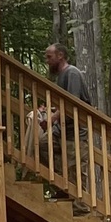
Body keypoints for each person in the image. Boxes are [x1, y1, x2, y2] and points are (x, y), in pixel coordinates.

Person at [25, 41, 94, 186]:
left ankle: (79, 208)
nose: (47, 61)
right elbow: (63, 104)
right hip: (60, 131)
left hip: (74, 134)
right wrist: (49, 111)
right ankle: (62, 179)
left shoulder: (72, 73)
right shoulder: (61, 76)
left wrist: (51, 119)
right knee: (41, 144)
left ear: (60, 56)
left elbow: (72, 103)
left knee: (76, 172)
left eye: (49, 57)